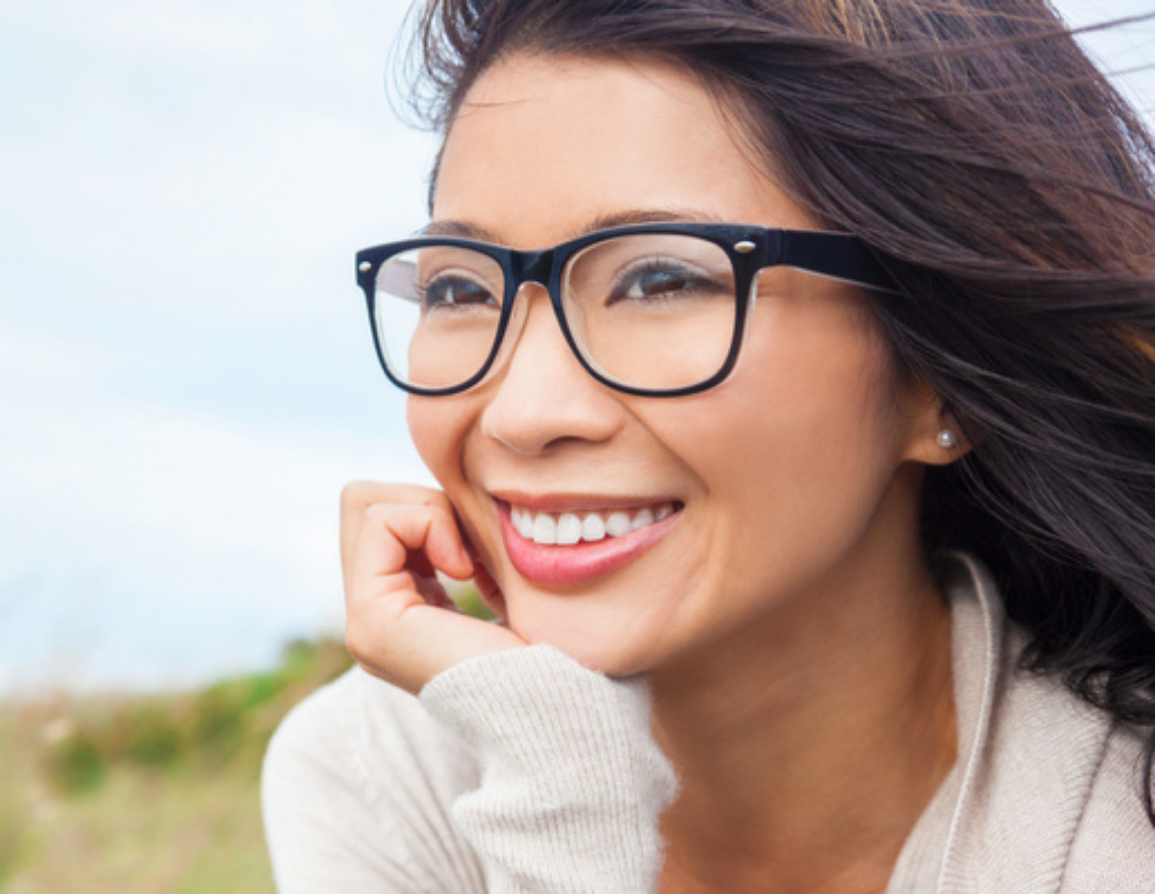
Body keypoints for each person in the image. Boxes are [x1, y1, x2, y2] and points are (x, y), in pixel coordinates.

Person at [263, 0, 1155, 891]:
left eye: (658, 280)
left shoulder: (1123, 830)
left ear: (941, 377)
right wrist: (561, 784)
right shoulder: (382, 775)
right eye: (460, 289)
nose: (522, 415)